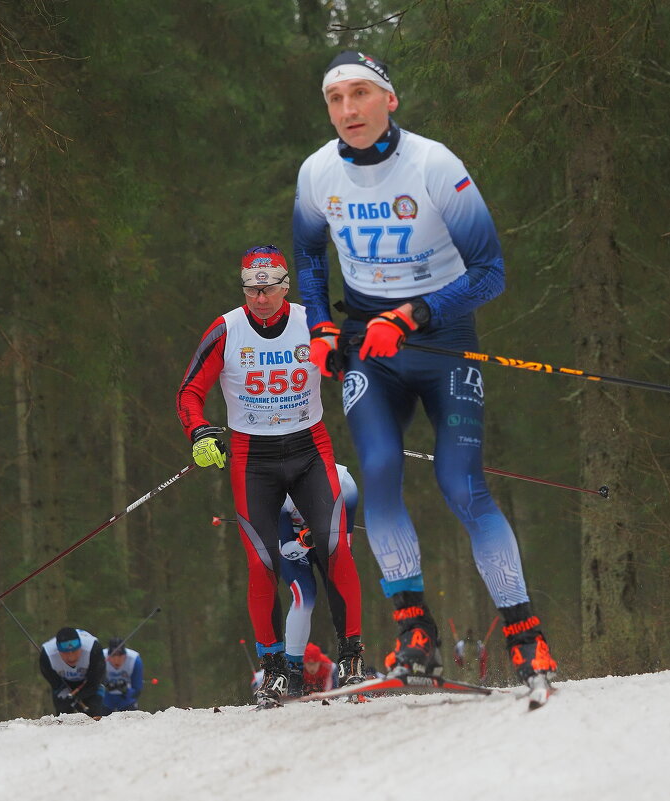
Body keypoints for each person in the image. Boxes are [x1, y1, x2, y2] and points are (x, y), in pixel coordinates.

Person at [292, 51, 558, 694]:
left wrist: (414, 314)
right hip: (368, 348)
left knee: (460, 483)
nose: (349, 111)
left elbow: (490, 273)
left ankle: (526, 636)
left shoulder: (435, 165)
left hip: (442, 342)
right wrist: (322, 326)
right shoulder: (317, 172)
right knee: (378, 470)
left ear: (391, 101)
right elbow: (306, 254)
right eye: (336, 100)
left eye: (361, 94)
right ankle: (415, 630)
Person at [176, 245, 365, 707]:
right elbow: (190, 391)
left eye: (268, 289)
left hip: (309, 450)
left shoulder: (309, 322)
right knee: (262, 564)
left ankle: (352, 659)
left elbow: (354, 368)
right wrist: (200, 431)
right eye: (251, 290)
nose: (259, 298)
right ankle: (275, 669)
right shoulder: (227, 329)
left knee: (334, 544)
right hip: (252, 459)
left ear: (285, 286)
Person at [278, 463, 359, 696]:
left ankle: (351, 660)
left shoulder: (346, 485)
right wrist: (305, 541)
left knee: (339, 587)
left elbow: (346, 545)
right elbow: (286, 550)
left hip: (329, 539)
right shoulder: (282, 491)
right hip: (294, 543)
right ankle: (293, 672)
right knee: (305, 595)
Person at [39, 626, 108, 717]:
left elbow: (95, 680)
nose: (71, 657)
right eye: (65, 653)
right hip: (64, 682)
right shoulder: (47, 655)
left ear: (81, 647)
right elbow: (54, 682)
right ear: (58, 651)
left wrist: (81, 695)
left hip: (90, 680)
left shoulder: (93, 649)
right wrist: (66, 695)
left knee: (94, 709)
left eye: (75, 651)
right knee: (63, 712)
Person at [103, 638, 144, 712]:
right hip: (106, 698)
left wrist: (126, 690)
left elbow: (137, 689)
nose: (117, 660)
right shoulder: (101, 658)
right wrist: (105, 685)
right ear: (108, 657)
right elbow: (94, 684)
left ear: (125, 655)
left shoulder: (135, 660)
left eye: (120, 656)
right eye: (113, 656)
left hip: (126, 699)